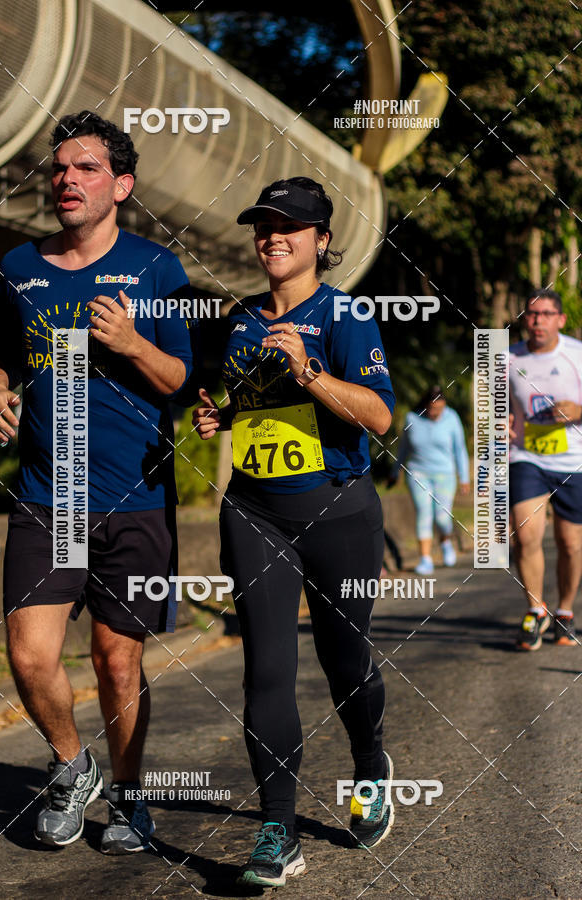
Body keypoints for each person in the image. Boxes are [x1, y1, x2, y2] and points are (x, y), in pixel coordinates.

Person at [0, 111, 193, 852]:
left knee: (116, 659)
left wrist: (133, 340)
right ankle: (75, 768)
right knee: (31, 653)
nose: (67, 180)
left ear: (122, 186)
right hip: (49, 494)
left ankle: (132, 800)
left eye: (87, 169)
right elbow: (6, 349)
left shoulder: (157, 270)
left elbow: (179, 379)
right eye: (60, 168)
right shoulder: (19, 267)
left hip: (136, 499)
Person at [193, 176, 396, 888]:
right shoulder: (240, 316)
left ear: (321, 240)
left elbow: (377, 416)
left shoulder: (346, 314)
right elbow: (246, 398)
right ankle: (279, 827)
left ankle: (369, 763)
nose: (272, 236)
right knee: (267, 670)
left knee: (346, 666)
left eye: (288, 225)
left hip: (338, 511)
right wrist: (221, 414)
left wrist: (310, 372)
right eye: (263, 225)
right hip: (254, 510)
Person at [509, 288, 582, 651]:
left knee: (570, 544)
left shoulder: (577, 356)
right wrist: (500, 421)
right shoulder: (508, 357)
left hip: (573, 461)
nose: (537, 320)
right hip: (527, 457)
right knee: (525, 535)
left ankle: (565, 612)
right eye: (532, 314)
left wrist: (579, 411)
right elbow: (495, 404)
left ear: (560, 320)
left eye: (546, 314)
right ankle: (535, 610)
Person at [388, 386, 469, 574]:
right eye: (433, 409)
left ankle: (446, 542)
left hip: (445, 473)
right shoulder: (412, 419)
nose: (436, 414)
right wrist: (395, 471)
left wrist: (464, 478)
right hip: (418, 473)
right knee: (424, 513)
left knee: (442, 516)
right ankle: (425, 558)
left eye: (440, 409)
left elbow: (460, 449)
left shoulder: (452, 418)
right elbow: (403, 449)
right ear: (425, 406)